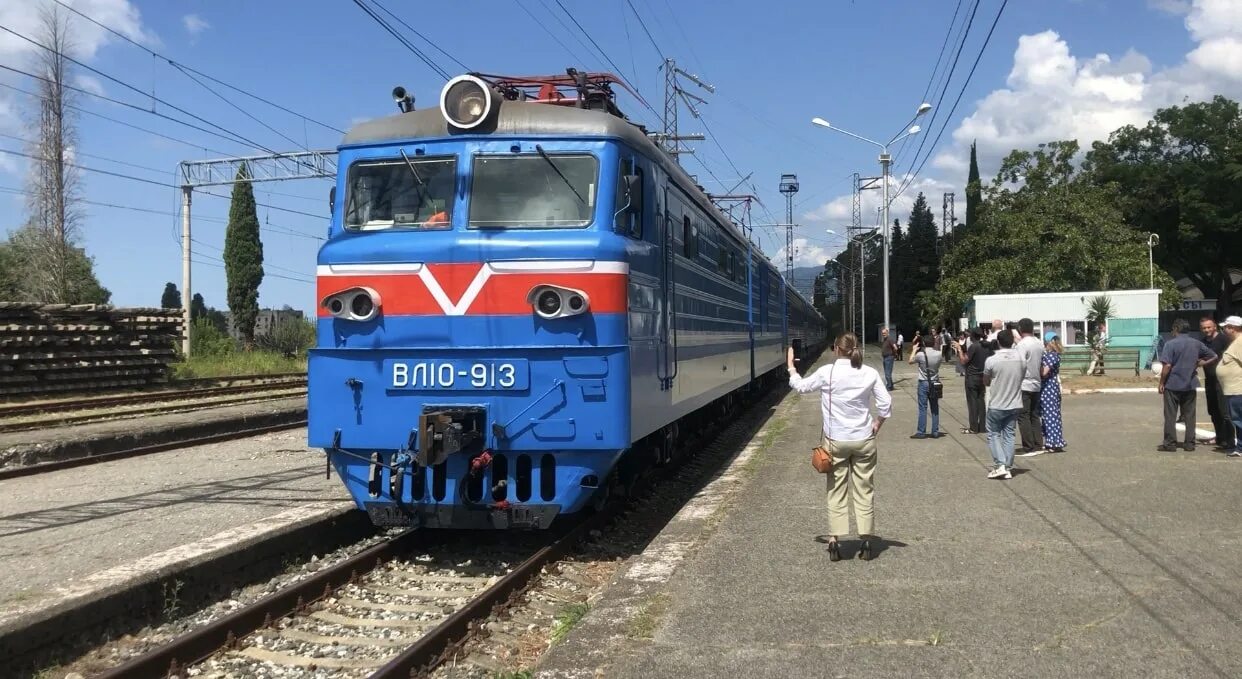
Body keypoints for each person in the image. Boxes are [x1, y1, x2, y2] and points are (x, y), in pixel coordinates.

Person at [787, 335, 891, 561]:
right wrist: (877, 424)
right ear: (855, 349)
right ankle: (865, 538)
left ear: (836, 350)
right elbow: (885, 404)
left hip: (835, 441)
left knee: (836, 489)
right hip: (864, 439)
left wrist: (791, 368)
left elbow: (801, 387)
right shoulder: (870, 373)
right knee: (865, 489)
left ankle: (834, 540)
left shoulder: (827, 373)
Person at [1158, 318, 1218, 452]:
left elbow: (1167, 365)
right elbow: (1213, 356)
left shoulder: (1170, 344)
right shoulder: (1196, 344)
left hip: (1173, 383)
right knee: (1190, 415)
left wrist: (1161, 382)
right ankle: (1190, 443)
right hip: (1190, 383)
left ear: (1176, 329)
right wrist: (1201, 363)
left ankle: (1170, 443)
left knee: (1170, 415)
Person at [984, 330, 1025, 479]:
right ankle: (1007, 466)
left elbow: (986, 380)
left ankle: (1000, 464)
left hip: (997, 402)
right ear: (1012, 341)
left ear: (999, 342)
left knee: (993, 434)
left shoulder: (992, 360)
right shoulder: (1021, 359)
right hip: (1014, 402)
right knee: (1009, 435)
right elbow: (1022, 375)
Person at [1199, 317, 1234, 451]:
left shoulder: (1224, 339)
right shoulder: (1202, 342)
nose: (1206, 330)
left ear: (1214, 327)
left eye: (1209, 327)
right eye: (1204, 328)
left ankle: (1229, 441)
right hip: (1210, 380)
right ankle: (1219, 437)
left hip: (1223, 381)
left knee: (1224, 412)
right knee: (1213, 410)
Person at [1015, 318, 1045, 455]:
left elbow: (1019, 364)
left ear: (1020, 329)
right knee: (1034, 414)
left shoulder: (1022, 345)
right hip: (1037, 382)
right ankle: (1038, 443)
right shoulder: (1039, 343)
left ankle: (1028, 445)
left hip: (1024, 383)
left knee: (1023, 415)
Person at [1216, 316, 1242, 458]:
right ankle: (1240, 447)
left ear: (1232, 328)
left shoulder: (1240, 343)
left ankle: (1240, 448)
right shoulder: (1236, 342)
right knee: (1237, 419)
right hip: (1233, 389)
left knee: (1239, 419)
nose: (1224, 329)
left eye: (1225, 327)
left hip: (1238, 389)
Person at [908, 332, 942, 438]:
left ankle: (921, 431)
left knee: (923, 407)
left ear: (923, 343)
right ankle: (935, 431)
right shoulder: (939, 354)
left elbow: (910, 361)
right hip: (935, 381)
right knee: (935, 407)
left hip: (923, 382)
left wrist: (914, 349)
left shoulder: (920, 355)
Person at [1040, 331, 1067, 453]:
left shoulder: (1051, 356)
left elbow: (1044, 373)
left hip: (1048, 387)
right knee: (1052, 415)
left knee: (1050, 415)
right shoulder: (1053, 354)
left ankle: (1053, 441)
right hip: (1051, 387)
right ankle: (1054, 440)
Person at [959, 328, 989, 434]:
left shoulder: (974, 346)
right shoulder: (987, 345)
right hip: (983, 375)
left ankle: (973, 427)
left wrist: (959, 349)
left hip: (972, 376)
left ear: (972, 336)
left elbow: (964, 360)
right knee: (981, 401)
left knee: (972, 402)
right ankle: (983, 426)